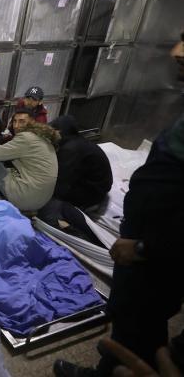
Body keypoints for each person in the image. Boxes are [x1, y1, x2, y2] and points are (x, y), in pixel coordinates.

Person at [54, 116, 184, 377]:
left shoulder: (71, 149)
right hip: (146, 241)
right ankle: (114, 363)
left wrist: (145, 248)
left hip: (154, 253)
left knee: (140, 313)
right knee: (131, 314)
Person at [0, 109, 60, 211]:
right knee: (6, 167)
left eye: (22, 121)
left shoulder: (26, 137)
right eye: (15, 121)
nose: (16, 126)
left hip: (26, 198)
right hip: (43, 198)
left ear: (32, 122)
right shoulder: (42, 136)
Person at [50, 115, 112, 209]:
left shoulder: (71, 149)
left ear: (60, 132)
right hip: (97, 188)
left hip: (92, 193)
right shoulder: (77, 141)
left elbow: (61, 179)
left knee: (52, 195)